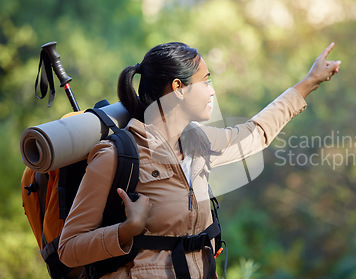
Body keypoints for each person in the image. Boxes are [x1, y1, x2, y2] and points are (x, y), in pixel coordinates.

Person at [58, 42, 341, 278]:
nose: (212, 90)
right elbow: (69, 249)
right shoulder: (115, 156)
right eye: (206, 80)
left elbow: (255, 134)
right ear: (178, 88)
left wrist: (308, 83)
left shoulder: (199, 144)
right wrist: (126, 230)